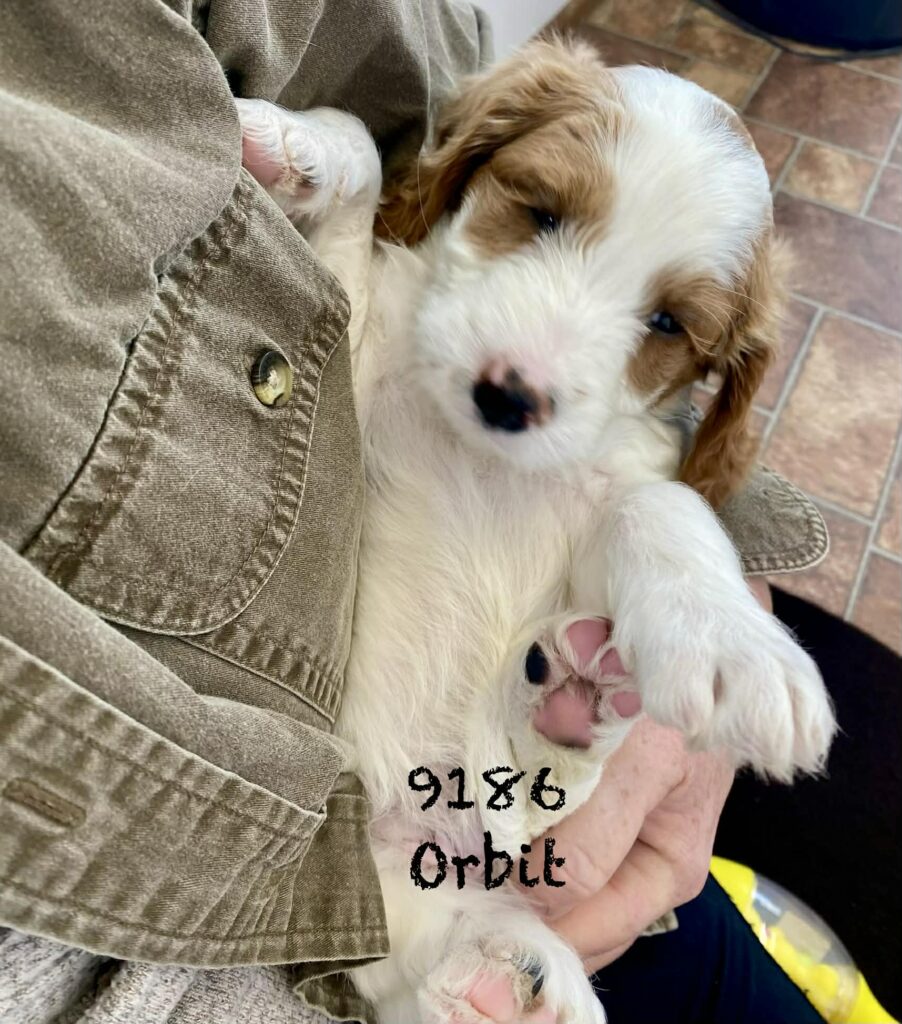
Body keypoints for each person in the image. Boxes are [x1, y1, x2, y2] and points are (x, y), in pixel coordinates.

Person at [0, 1, 830, 1021]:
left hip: (481, 837)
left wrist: (707, 586)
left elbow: (646, 512)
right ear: (463, 169)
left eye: (663, 321)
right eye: (539, 214)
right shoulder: (401, 286)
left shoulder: (630, 451)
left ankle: (482, 938)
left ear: (715, 375)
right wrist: (348, 172)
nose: (534, 368)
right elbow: (342, 302)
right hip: (275, 836)